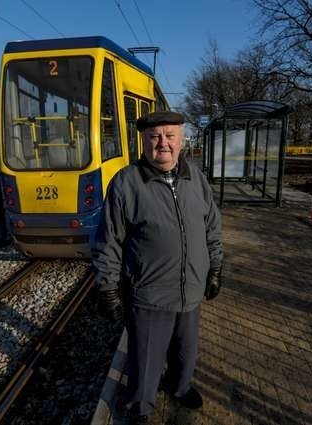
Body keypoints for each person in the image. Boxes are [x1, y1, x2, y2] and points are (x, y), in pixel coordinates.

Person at [92, 111, 224, 423]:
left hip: (190, 290)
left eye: (170, 136)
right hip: (149, 294)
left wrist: (216, 266)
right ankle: (140, 405)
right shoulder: (126, 183)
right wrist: (108, 288)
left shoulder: (196, 178)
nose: (163, 143)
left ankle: (179, 388)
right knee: (146, 359)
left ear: (182, 141)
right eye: (155, 137)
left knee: (185, 353)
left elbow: (212, 226)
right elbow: (108, 240)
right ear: (144, 141)